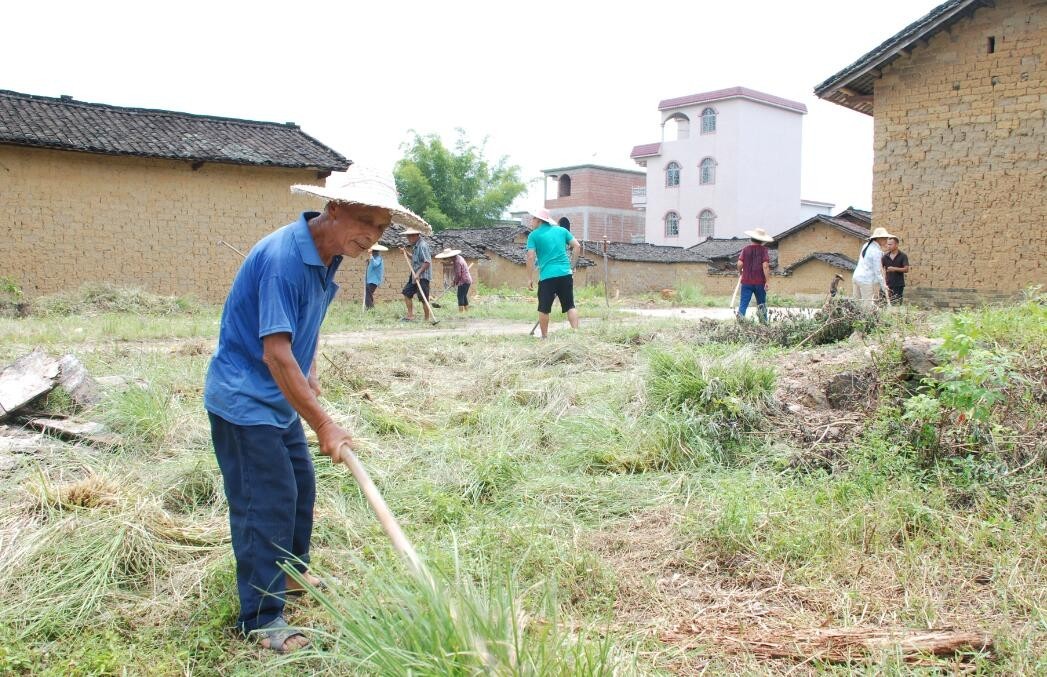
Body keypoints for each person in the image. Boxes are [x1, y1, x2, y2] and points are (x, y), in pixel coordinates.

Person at [203, 166, 430, 653]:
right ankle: (262, 617)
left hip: (279, 396)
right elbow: (274, 352)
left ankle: (289, 575)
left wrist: (306, 369)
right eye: (363, 220)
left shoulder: (327, 253)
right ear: (333, 208)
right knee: (265, 503)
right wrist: (324, 422)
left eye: (380, 226)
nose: (370, 235)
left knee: (299, 489)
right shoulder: (286, 257)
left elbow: (301, 327)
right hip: (245, 401)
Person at [526, 207, 581, 338]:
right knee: (570, 306)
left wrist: (529, 278)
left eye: (533, 219)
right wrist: (572, 267)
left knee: (544, 308)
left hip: (547, 277)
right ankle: (576, 334)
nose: (531, 222)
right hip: (565, 274)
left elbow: (530, 257)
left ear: (539, 221)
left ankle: (544, 338)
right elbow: (577, 246)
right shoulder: (562, 231)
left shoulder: (533, 235)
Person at [735, 227, 774, 324]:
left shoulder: (745, 249)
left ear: (751, 238)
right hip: (760, 283)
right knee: (761, 304)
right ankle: (764, 324)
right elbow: (765, 266)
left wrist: (741, 273)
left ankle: (740, 323)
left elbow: (739, 264)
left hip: (746, 282)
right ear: (762, 241)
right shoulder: (764, 250)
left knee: (743, 304)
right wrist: (768, 281)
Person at [852, 226, 894, 307]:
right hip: (866, 280)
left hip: (856, 277)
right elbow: (878, 272)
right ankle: (864, 319)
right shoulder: (876, 252)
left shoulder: (866, 245)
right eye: (884, 238)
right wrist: (883, 286)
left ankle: (856, 318)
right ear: (878, 239)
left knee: (856, 304)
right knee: (866, 306)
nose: (886, 241)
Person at [401, 228, 434, 323]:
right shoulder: (415, 246)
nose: (408, 238)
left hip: (422, 276)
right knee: (406, 293)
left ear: (416, 235)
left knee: (424, 298)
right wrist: (406, 253)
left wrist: (418, 273)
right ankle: (410, 315)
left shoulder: (423, 246)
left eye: (410, 236)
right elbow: (415, 258)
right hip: (414, 275)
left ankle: (427, 319)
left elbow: (427, 262)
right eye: (407, 236)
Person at [434, 248, 473, 313]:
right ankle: (467, 312)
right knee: (464, 296)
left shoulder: (457, 262)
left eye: (447, 258)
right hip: (467, 280)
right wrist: (445, 262)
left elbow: (458, 275)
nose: (447, 259)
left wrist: (454, 282)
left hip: (463, 281)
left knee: (460, 296)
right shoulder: (458, 257)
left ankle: (461, 313)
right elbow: (452, 262)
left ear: (450, 256)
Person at [881, 236, 910, 304]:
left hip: (898, 284)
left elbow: (906, 269)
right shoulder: (885, 257)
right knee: (884, 303)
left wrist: (894, 269)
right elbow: (880, 269)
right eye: (888, 244)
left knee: (897, 304)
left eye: (890, 244)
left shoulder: (903, 256)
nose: (888, 246)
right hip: (887, 285)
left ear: (896, 244)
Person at [364, 244, 386, 309]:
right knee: (369, 294)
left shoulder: (379, 258)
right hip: (369, 279)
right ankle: (370, 308)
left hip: (374, 280)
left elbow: (374, 264)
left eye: (373, 251)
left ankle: (370, 309)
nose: (373, 253)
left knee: (368, 295)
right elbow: (371, 266)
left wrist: (370, 256)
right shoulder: (373, 258)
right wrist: (368, 262)